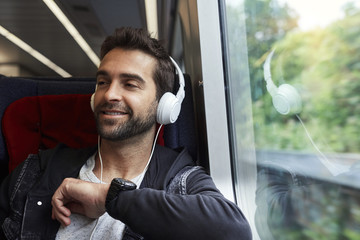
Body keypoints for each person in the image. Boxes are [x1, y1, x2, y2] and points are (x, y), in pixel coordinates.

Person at [0, 27, 252, 240]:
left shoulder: (181, 181)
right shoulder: (34, 171)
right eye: (103, 82)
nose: (109, 95)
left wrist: (107, 197)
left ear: (165, 106)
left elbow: (235, 230)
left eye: (130, 84)